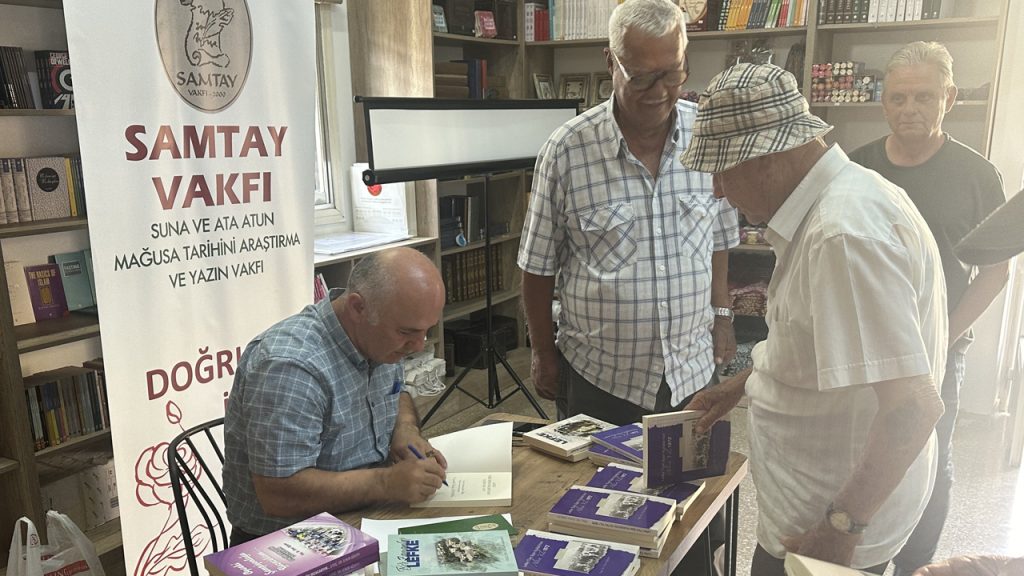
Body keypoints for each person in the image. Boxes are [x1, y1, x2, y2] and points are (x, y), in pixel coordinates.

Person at [680, 63, 947, 576]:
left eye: (723, 168)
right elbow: (816, 342)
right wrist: (740, 385)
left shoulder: (842, 236)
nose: (716, 189)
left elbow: (913, 407)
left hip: (827, 534)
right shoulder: (840, 202)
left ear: (772, 156)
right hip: (814, 516)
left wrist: (843, 527)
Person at [518, 0, 739, 426]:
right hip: (599, 379)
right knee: (596, 490)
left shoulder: (708, 136)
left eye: (672, 73)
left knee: (691, 489)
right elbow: (537, 267)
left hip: (692, 372)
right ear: (610, 62)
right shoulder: (566, 151)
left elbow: (721, 238)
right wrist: (543, 353)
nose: (658, 91)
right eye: (640, 77)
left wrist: (724, 316)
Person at [848, 41, 1009, 576]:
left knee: (929, 462)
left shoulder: (976, 175)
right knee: (862, 455)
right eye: (897, 98)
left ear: (949, 98)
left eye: (923, 96)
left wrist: (942, 342)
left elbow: (995, 270)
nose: (909, 108)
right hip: (866, 346)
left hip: (939, 349)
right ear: (883, 102)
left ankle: (916, 566)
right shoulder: (858, 168)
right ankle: (860, 554)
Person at [222, 247, 448, 544]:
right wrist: (386, 482)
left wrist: (404, 430)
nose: (418, 346)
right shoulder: (291, 366)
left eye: (426, 332)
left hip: (362, 517)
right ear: (358, 308)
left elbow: (396, 391)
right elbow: (278, 492)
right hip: (282, 545)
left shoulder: (379, 335)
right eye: (408, 332)